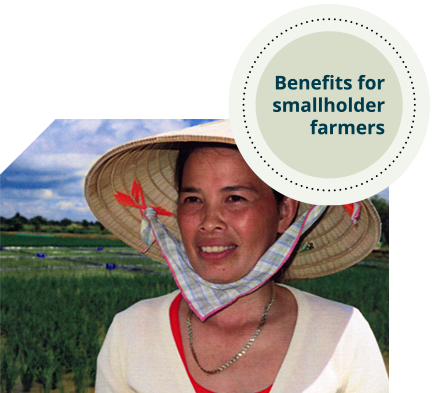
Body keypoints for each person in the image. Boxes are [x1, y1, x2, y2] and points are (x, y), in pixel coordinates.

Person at [85, 120, 392, 392]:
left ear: (284, 212)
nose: (208, 221)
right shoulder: (131, 330)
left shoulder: (341, 331)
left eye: (235, 198)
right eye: (193, 199)